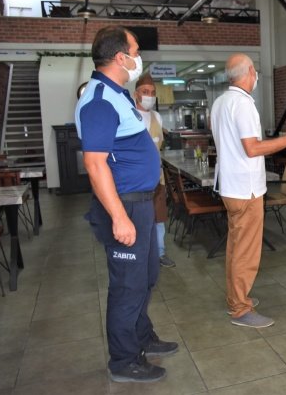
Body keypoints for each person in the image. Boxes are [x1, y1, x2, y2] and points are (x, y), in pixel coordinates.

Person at [75, 26, 178, 383]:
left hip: (142, 204)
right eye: (135, 51)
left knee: (146, 277)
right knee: (127, 287)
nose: (139, 57)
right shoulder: (99, 100)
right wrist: (119, 217)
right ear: (121, 57)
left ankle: (141, 336)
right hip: (125, 207)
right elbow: (95, 164)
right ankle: (123, 360)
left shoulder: (118, 95)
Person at [210, 53, 286, 328]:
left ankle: (236, 297)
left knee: (236, 247)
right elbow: (252, 148)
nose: (256, 75)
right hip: (246, 189)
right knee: (246, 251)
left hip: (230, 186)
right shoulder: (243, 104)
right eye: (255, 70)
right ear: (248, 73)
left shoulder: (220, 102)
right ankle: (240, 309)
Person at [134, 72, 175, 268]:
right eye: (145, 92)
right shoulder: (130, 116)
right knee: (139, 219)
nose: (149, 96)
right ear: (136, 94)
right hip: (136, 180)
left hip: (157, 178)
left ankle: (160, 253)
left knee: (158, 218)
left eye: (152, 92)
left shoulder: (157, 117)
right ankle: (141, 255)